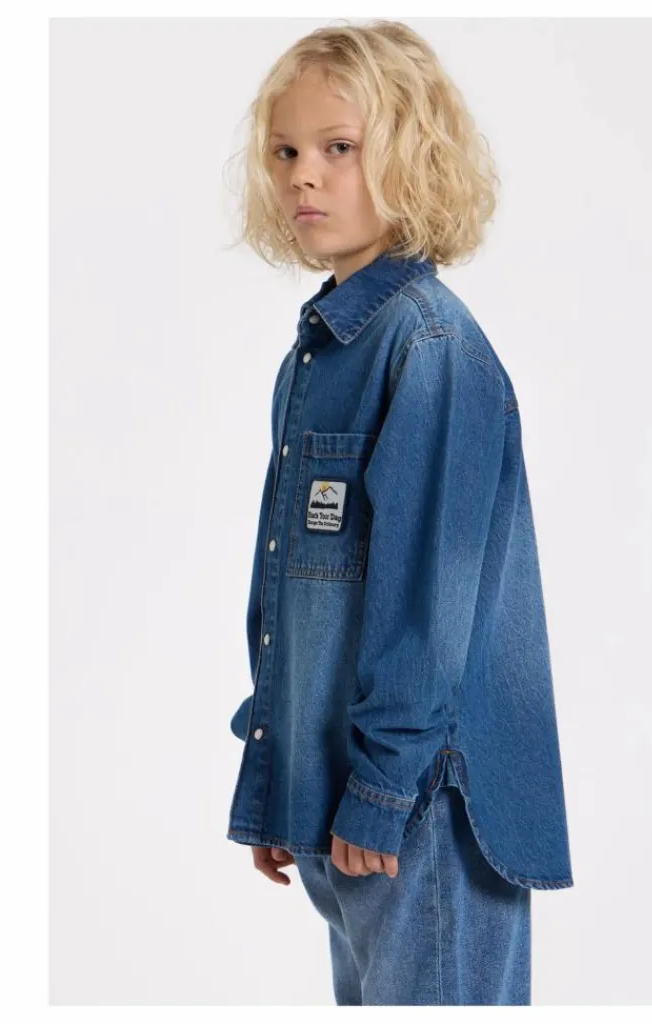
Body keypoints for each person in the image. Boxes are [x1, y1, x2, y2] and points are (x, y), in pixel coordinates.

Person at [223, 20, 573, 1006]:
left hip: (415, 808)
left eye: (338, 147)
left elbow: (428, 602)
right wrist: (280, 771)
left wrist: (379, 790)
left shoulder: (428, 349)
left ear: (414, 157)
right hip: (345, 804)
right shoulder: (323, 351)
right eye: (285, 151)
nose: (303, 174)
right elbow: (293, 590)